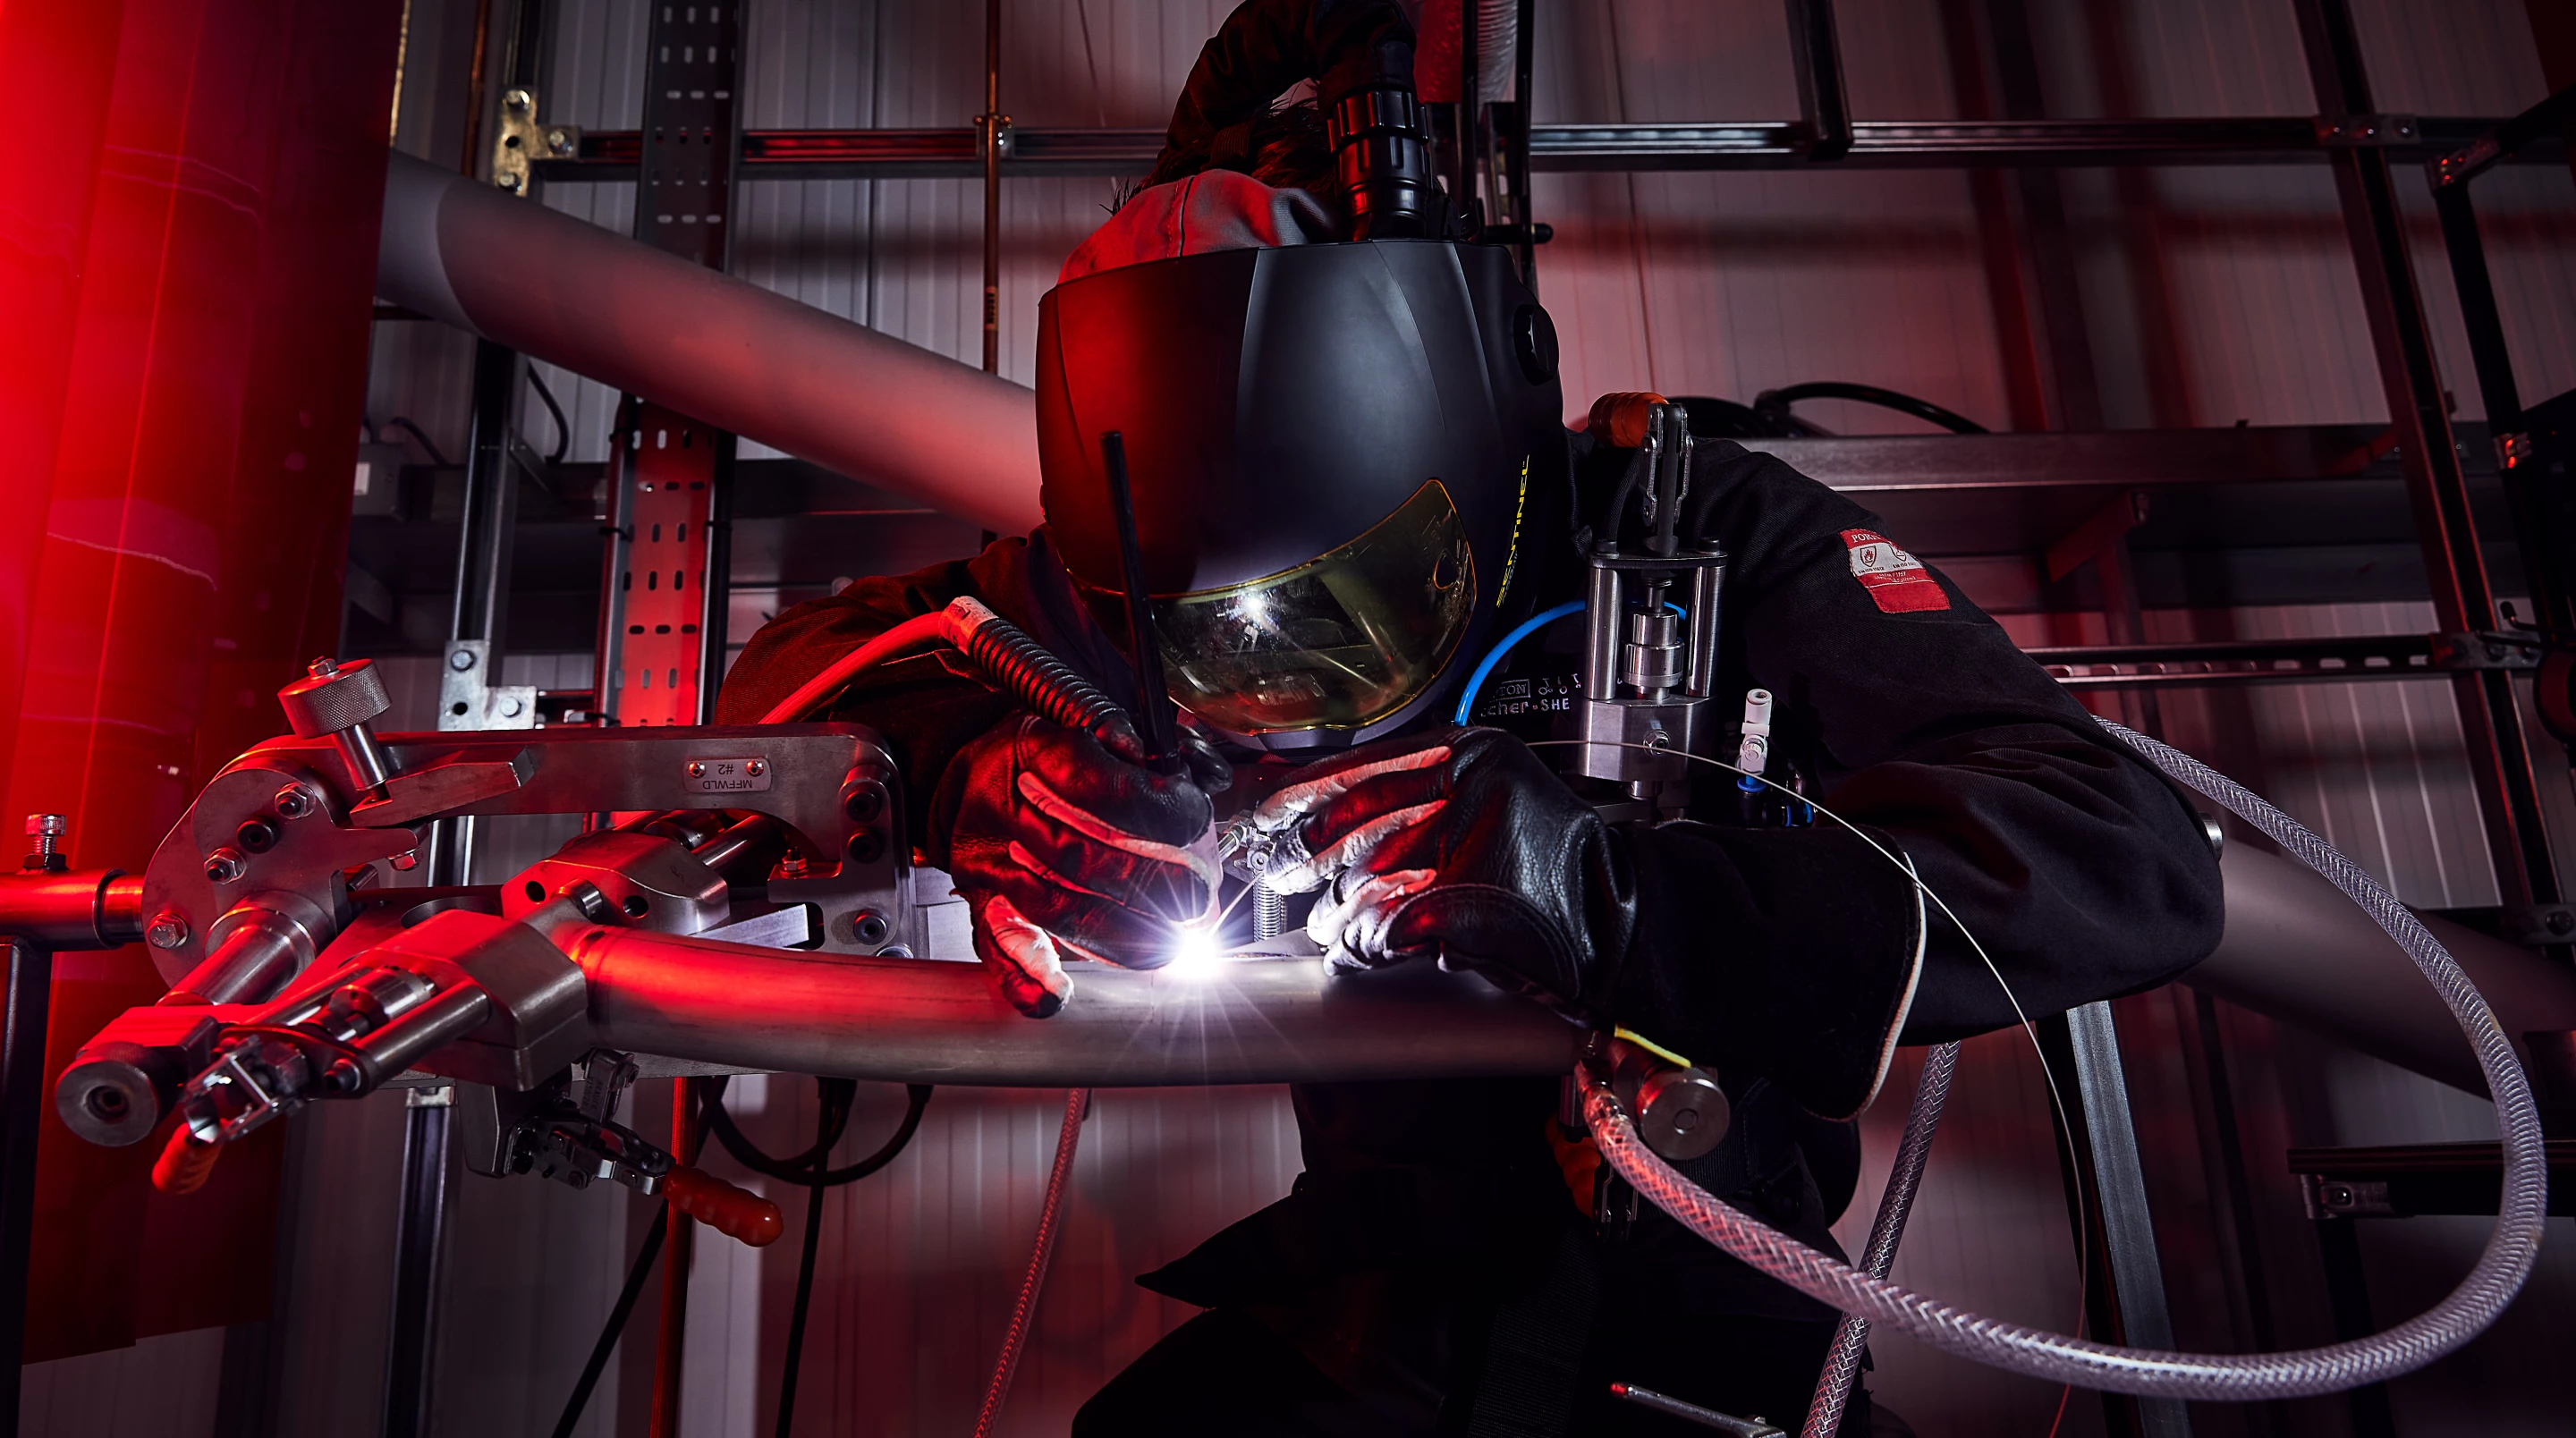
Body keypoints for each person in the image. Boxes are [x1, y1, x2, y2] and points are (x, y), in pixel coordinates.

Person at [716, 4, 2224, 1431]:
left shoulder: (1691, 530)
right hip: (1377, 1300)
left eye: (1358, 582)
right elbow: (788, 678)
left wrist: (1618, 898)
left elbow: (2126, 857)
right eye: (1210, 632)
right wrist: (971, 773)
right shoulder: (1113, 571)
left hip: (1713, 1293)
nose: (1294, 671)